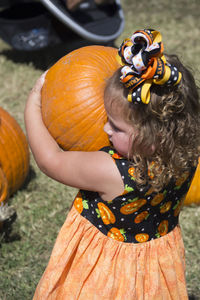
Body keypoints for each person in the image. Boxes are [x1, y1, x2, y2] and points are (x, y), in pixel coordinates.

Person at [25, 29, 200, 299]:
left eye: (116, 127)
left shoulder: (112, 171)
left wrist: (34, 103)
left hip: (104, 273)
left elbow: (51, 160)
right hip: (154, 269)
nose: (105, 128)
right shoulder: (187, 154)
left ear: (154, 137)